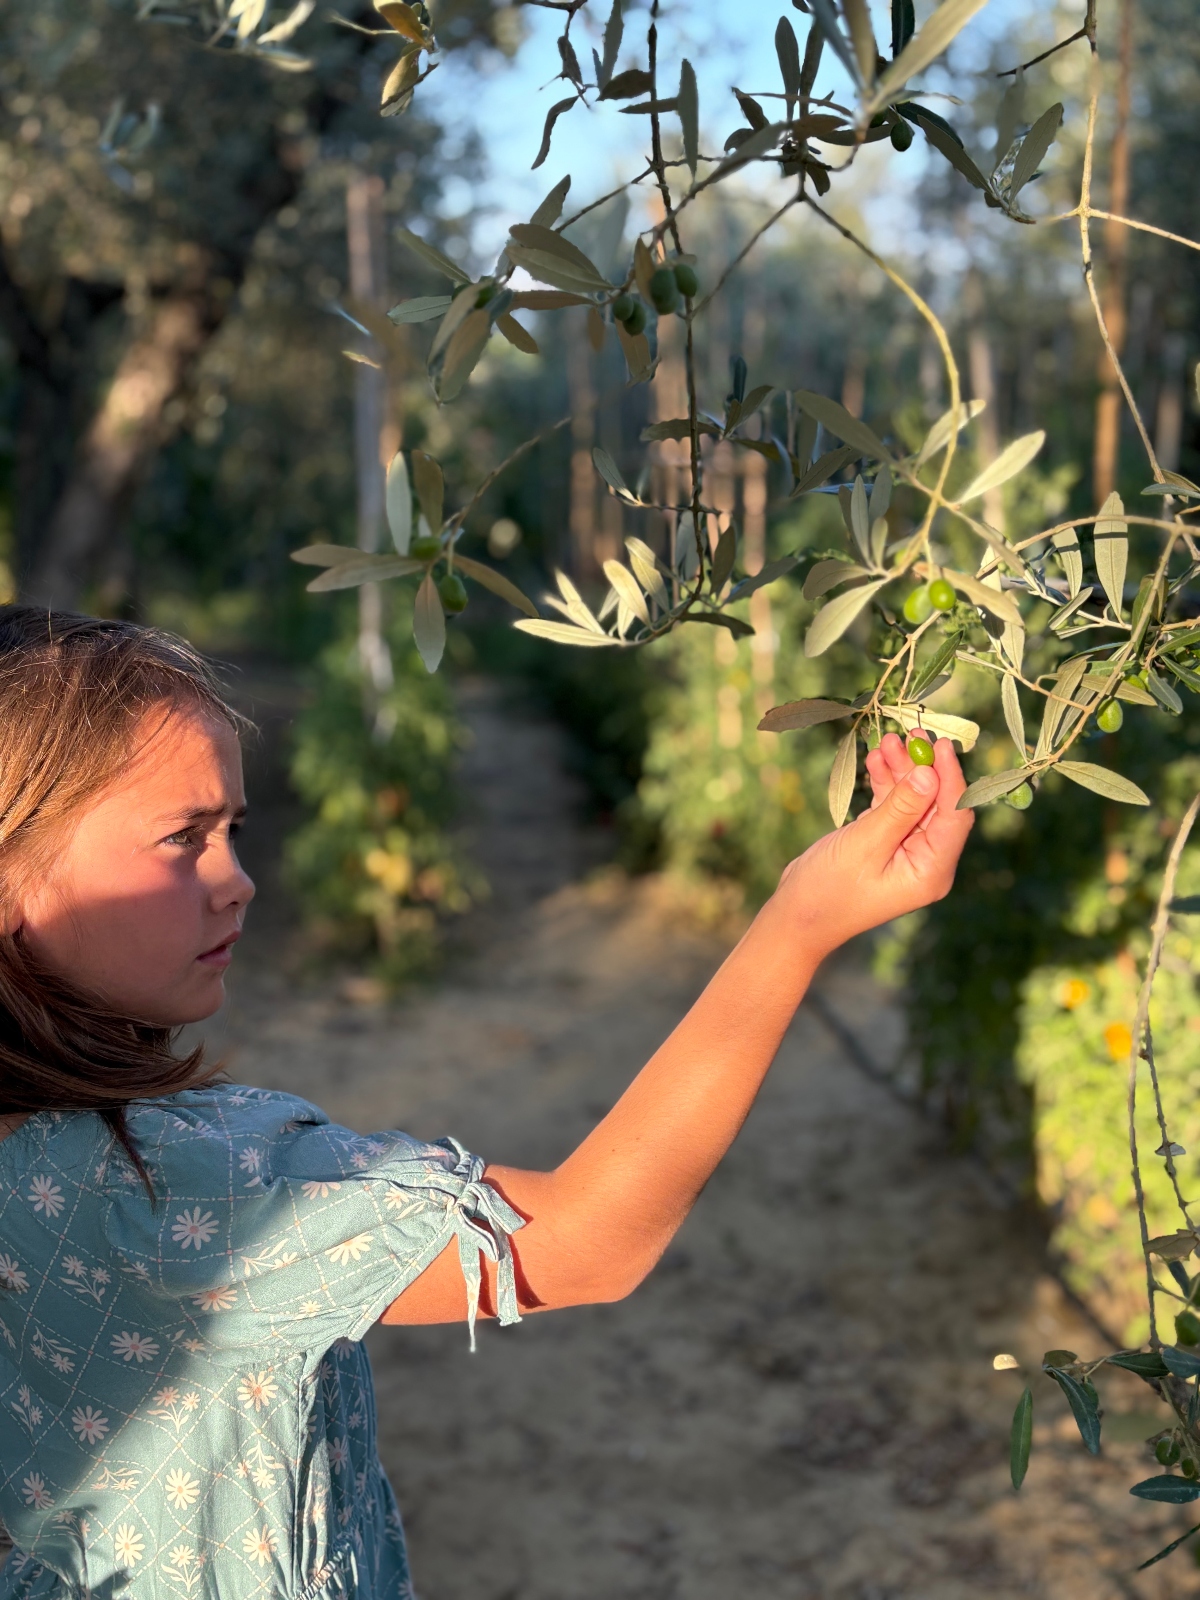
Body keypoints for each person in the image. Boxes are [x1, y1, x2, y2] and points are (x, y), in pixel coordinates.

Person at [0, 607, 973, 1600]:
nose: (238, 880)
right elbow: (586, 1236)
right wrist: (798, 925)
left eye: (233, 830)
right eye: (183, 839)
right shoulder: (172, 1186)